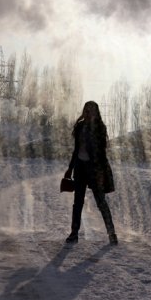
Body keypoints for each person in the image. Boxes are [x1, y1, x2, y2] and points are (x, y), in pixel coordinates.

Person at [64, 101, 117, 245]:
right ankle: (74, 233)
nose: (89, 113)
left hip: (94, 168)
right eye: (87, 110)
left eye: (92, 111)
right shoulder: (80, 126)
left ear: (96, 112)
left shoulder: (100, 128)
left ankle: (111, 233)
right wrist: (70, 169)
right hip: (80, 167)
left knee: (101, 202)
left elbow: (101, 152)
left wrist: (100, 172)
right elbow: (76, 150)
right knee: (78, 202)